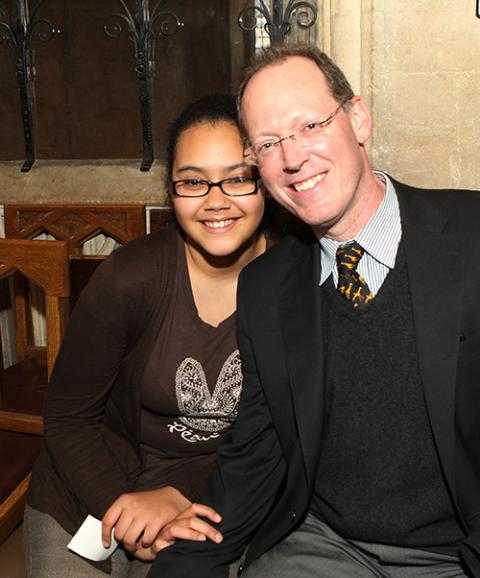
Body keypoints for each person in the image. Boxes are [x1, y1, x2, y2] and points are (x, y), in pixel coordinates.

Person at [149, 45, 480, 578]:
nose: (292, 157)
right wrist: (189, 560)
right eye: (268, 143)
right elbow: (257, 449)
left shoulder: (471, 236)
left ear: (358, 118)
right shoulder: (266, 287)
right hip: (326, 547)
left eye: (308, 126)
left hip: (453, 555)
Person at [23, 93, 268, 578]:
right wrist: (125, 507)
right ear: (171, 192)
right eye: (193, 181)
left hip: (213, 494)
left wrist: (181, 497)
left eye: (238, 178)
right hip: (92, 480)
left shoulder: (295, 282)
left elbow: (281, 436)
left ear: (266, 183)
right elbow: (68, 418)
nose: (216, 200)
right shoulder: (132, 276)